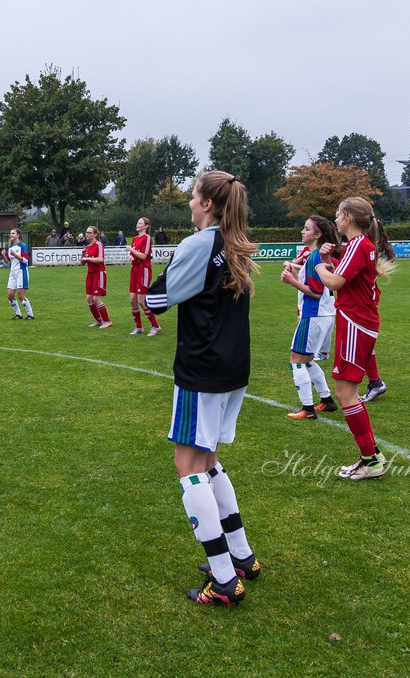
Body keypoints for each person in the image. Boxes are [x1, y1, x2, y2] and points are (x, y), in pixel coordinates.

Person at [145, 171, 260, 606]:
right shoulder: (237, 242)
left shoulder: (201, 243)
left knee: (188, 465)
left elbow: (157, 299)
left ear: (208, 204)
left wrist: (156, 279)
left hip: (203, 368)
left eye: (193, 197)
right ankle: (242, 556)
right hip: (234, 368)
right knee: (209, 460)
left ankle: (226, 580)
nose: (190, 204)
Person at [314, 196, 396, 480]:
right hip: (359, 322)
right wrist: (327, 261)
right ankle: (371, 456)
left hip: (355, 323)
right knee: (345, 392)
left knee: (345, 393)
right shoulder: (360, 245)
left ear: (348, 217)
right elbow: (345, 275)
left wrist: (319, 266)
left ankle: (371, 460)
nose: (335, 218)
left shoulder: (359, 244)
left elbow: (335, 281)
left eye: (338, 213)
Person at [280, 216, 338, 419]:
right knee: (307, 359)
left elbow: (314, 292)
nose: (302, 232)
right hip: (324, 315)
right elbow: (316, 288)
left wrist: (291, 281)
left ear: (318, 234)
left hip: (313, 315)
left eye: (306, 229)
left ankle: (307, 409)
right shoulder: (315, 256)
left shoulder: (314, 257)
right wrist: (295, 278)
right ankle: (327, 400)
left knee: (296, 360)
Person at [128, 217, 161, 336]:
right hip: (134, 270)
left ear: (146, 226)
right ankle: (139, 327)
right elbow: (134, 255)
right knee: (133, 300)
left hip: (144, 270)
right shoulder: (135, 239)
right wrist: (131, 257)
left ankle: (156, 326)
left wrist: (131, 250)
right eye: (137, 222)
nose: (137, 224)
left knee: (141, 301)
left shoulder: (146, 238)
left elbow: (143, 256)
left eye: (140, 223)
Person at [80, 225, 112, 328]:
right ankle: (98, 320)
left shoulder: (99, 244)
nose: (87, 234)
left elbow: (101, 259)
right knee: (89, 299)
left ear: (95, 234)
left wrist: (88, 259)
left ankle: (107, 321)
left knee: (96, 299)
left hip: (99, 273)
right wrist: (83, 255)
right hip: (90, 274)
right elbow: (82, 263)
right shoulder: (87, 247)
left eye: (90, 233)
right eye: (86, 232)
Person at [4, 227, 34, 320]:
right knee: (10, 295)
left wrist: (15, 255)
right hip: (12, 272)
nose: (11, 235)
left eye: (13, 233)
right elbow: (8, 262)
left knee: (20, 295)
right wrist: (4, 255)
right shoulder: (10, 247)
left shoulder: (22, 246)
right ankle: (18, 314)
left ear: (18, 235)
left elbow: (25, 260)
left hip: (21, 271)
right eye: (10, 233)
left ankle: (30, 315)